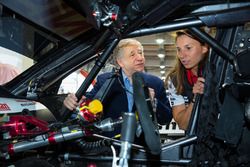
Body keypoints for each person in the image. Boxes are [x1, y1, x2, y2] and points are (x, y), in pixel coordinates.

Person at [63, 38, 172, 138]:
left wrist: (153, 102)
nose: (140, 58)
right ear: (120, 62)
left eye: (140, 53)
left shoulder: (155, 83)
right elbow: (87, 102)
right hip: (110, 147)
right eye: (132, 55)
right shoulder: (105, 81)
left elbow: (166, 119)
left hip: (143, 150)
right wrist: (72, 101)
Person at [166, 29, 209, 130]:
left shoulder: (221, 70)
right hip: (196, 140)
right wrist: (195, 98)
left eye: (188, 48)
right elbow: (183, 125)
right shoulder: (175, 80)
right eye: (179, 49)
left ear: (204, 48)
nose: (181, 55)